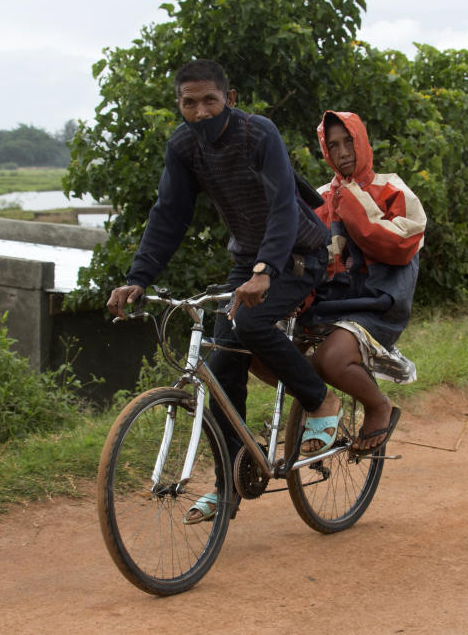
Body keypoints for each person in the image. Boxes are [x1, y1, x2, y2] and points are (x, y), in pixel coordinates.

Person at [106, 60, 341, 524]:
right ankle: (228, 486)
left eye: (209, 100)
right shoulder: (183, 146)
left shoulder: (259, 134)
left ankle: (319, 399)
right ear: (179, 105)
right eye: (188, 103)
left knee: (251, 322)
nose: (199, 112)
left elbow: (281, 208)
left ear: (228, 100)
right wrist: (139, 277)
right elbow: (168, 215)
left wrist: (265, 270)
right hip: (248, 261)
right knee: (222, 365)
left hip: (297, 252)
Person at [300, 110, 426, 455]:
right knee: (264, 352)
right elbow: (310, 257)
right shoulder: (321, 196)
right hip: (329, 302)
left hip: (378, 303)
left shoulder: (393, 189)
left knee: (330, 359)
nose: (342, 153)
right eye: (333, 144)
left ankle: (377, 405)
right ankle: (320, 404)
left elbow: (400, 246)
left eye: (349, 142)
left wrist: (353, 204)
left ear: (363, 143)